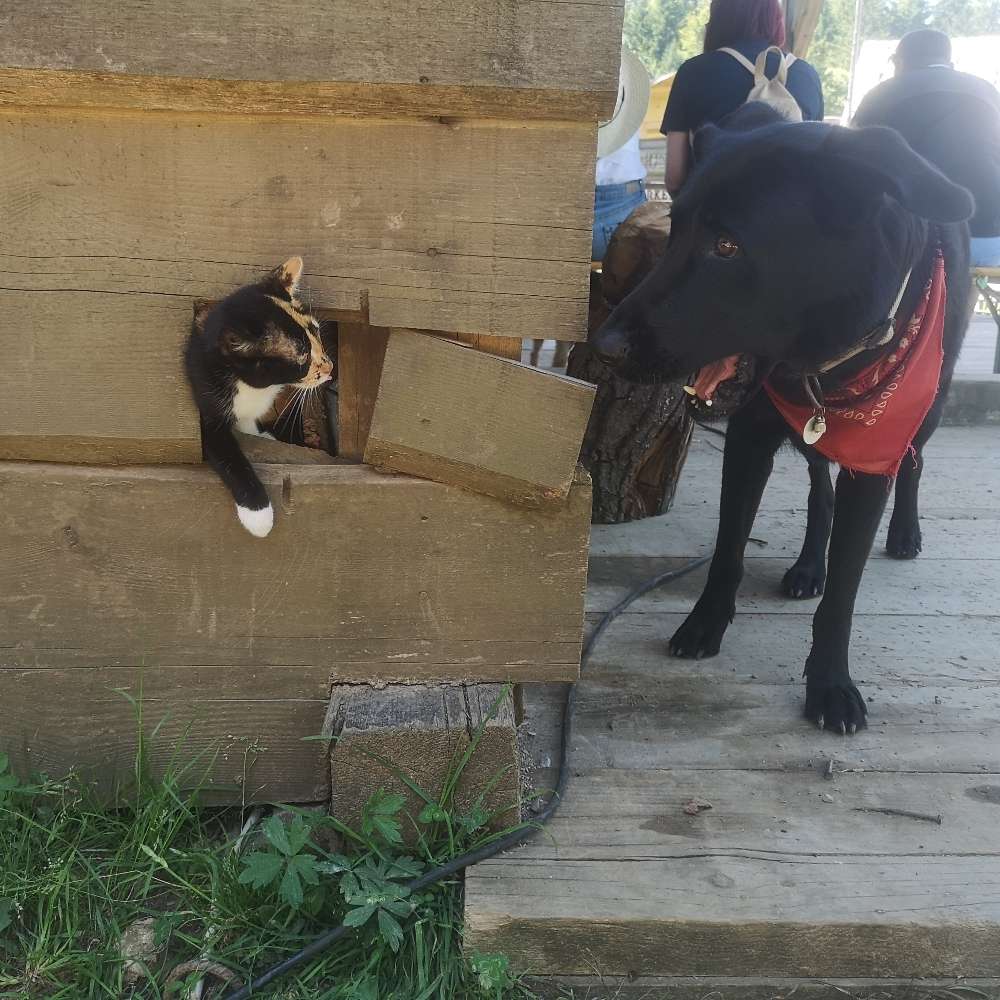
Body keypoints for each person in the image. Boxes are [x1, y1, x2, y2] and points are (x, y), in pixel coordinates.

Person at [853, 29, 1000, 267]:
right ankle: (962, 302)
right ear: (950, 63)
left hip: (926, 246)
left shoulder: (882, 94)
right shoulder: (988, 92)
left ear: (899, 62)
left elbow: (855, 166)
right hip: (993, 238)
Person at [660, 0, 824, 196]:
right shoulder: (807, 75)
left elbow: (675, 179)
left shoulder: (694, 72)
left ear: (719, 17)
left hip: (714, 216)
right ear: (775, 18)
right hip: (788, 219)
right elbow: (815, 163)